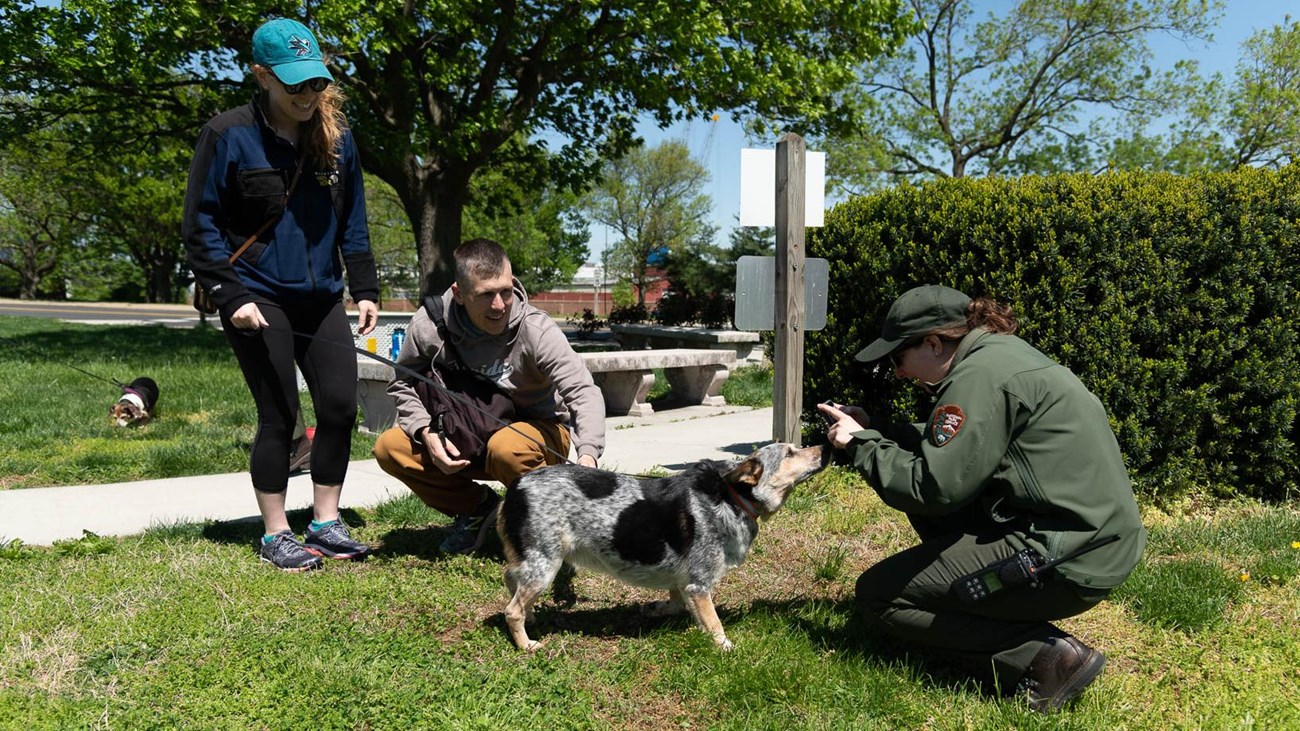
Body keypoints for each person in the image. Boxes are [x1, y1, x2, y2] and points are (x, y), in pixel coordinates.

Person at [818, 284, 1146, 713]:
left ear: (934, 343)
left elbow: (932, 489)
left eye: (898, 357)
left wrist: (861, 446)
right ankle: (982, 605)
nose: (898, 372)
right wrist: (877, 429)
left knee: (879, 596)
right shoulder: (1000, 357)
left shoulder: (977, 378)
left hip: (1066, 557)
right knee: (942, 526)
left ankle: (1047, 657)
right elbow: (960, 447)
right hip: (1094, 541)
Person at [182, 17, 379, 572]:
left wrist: (363, 287)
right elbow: (200, 224)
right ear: (261, 76)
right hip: (257, 297)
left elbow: (353, 222)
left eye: (315, 82)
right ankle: (276, 533)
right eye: (293, 84)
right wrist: (229, 294)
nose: (307, 95)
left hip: (321, 298)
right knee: (280, 414)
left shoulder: (338, 142)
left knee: (340, 407)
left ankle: (326, 521)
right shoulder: (228, 135)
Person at [372, 238, 605, 554]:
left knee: (507, 447)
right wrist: (426, 432)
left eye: (506, 291)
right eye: (486, 295)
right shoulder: (429, 325)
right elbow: (403, 382)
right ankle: (479, 509)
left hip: (537, 437)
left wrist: (587, 457)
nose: (500, 305)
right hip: (467, 434)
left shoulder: (535, 329)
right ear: (459, 293)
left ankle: (552, 522)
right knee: (390, 447)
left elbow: (582, 390)